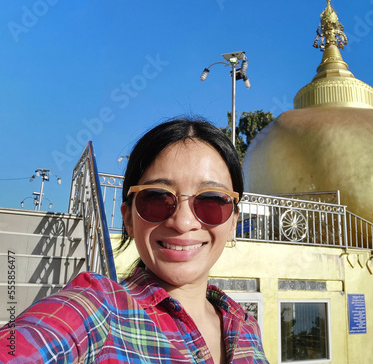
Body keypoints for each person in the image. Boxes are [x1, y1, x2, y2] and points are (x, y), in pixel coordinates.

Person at [0, 118, 269, 363]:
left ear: (233, 221)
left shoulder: (247, 327)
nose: (183, 222)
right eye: (156, 197)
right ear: (128, 219)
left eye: (211, 200)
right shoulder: (99, 310)